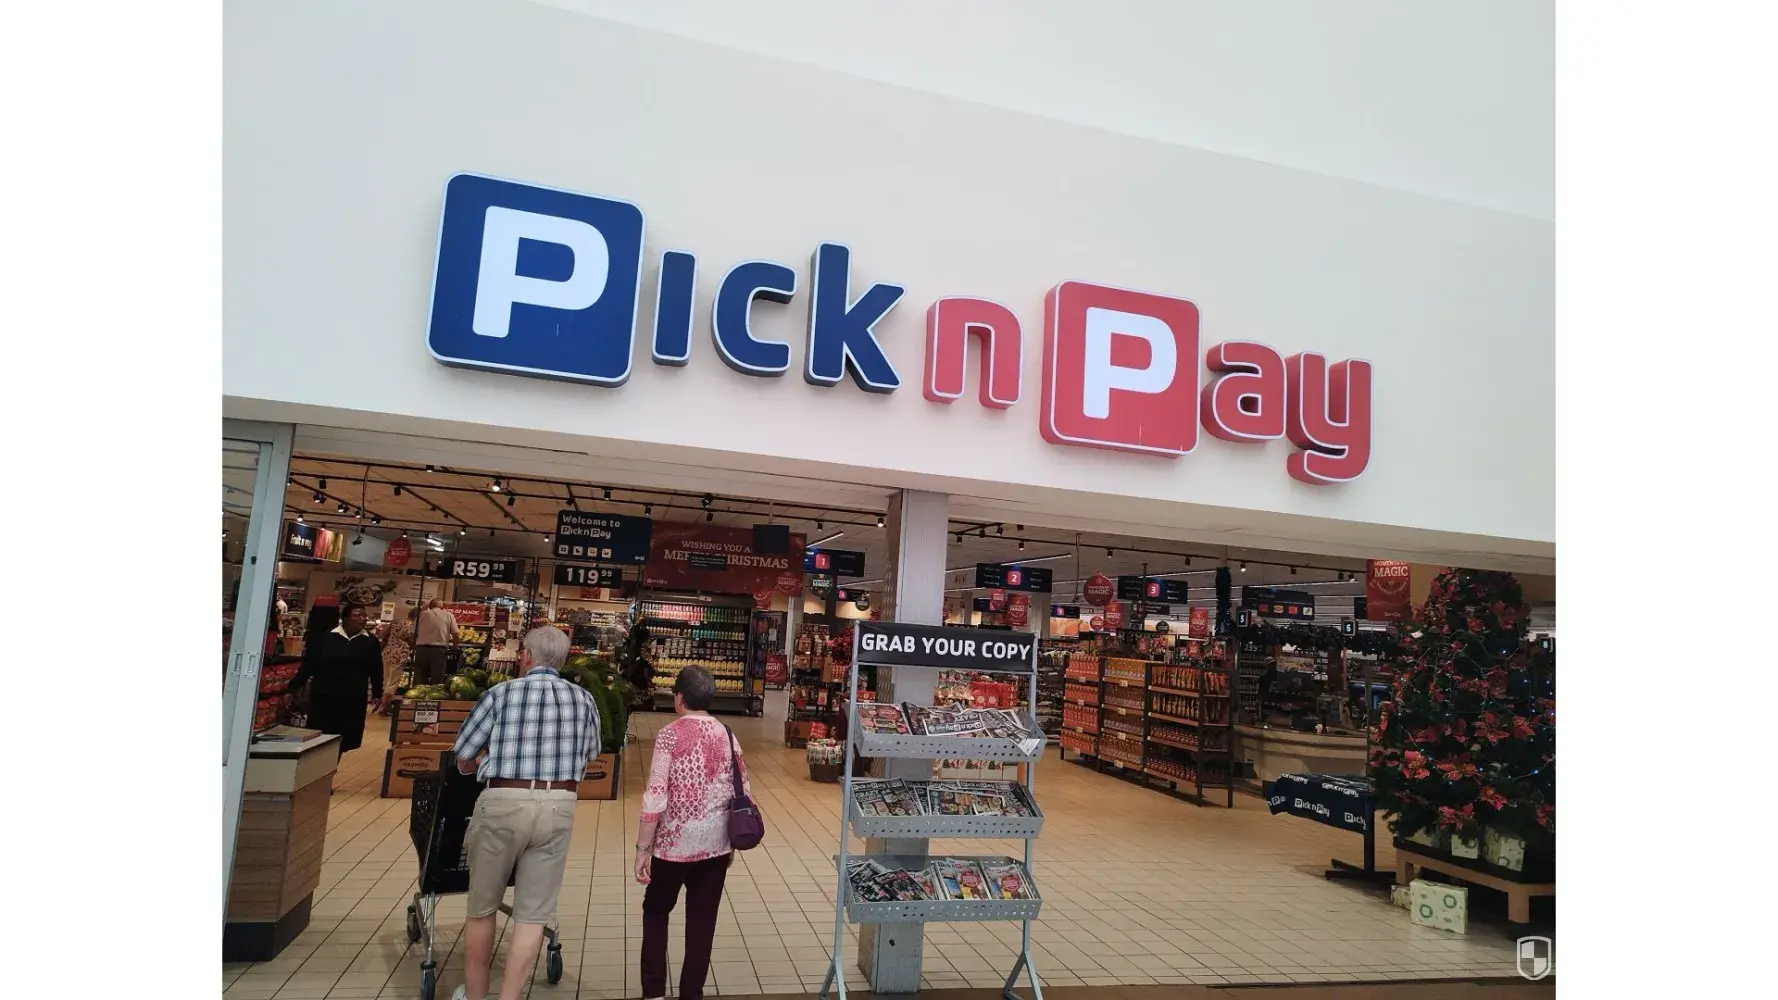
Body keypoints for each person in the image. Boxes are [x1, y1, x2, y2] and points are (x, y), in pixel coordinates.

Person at [450, 626, 599, 1000]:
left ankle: (475, 995)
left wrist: (478, 763)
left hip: (502, 801)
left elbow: (463, 754)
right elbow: (592, 753)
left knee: (482, 907)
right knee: (532, 916)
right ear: (563, 660)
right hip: (558, 805)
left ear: (527, 657)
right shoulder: (584, 699)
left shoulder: (499, 694)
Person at [635, 666, 753, 1000]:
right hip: (715, 846)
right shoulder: (727, 734)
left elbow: (655, 795)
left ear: (679, 698)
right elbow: (742, 790)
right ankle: (691, 993)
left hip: (672, 847)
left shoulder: (670, 735)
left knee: (656, 910)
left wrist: (643, 848)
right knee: (702, 921)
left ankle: (654, 992)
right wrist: (730, 844)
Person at [286, 601, 387, 754]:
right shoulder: (326, 638)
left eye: (364, 616)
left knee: (343, 741)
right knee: (318, 738)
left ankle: (332, 764)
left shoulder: (370, 641)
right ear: (345, 619)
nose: (363, 619)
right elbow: (309, 665)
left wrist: (377, 693)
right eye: (357, 615)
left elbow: (376, 669)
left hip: (352, 699)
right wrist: (292, 688)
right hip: (324, 697)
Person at [376, 606, 419, 712]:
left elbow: (381, 634)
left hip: (387, 652)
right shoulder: (412, 626)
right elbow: (412, 642)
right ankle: (384, 705)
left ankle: (384, 704)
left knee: (386, 680)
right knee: (393, 682)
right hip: (400, 654)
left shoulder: (396, 622)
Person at [414, 598, 458, 686]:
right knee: (437, 677)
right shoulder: (448, 615)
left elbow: (412, 633)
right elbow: (456, 634)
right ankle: (434, 693)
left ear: (430, 606)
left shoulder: (421, 615)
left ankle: (419, 693)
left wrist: (414, 645)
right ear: (442, 606)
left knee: (420, 677)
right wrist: (454, 647)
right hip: (438, 651)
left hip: (421, 650)